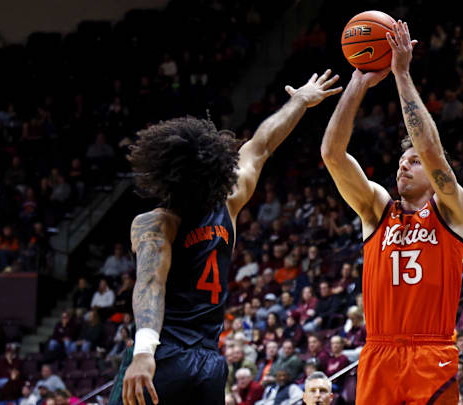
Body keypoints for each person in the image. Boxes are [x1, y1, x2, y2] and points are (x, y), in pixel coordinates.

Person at [111, 69, 341, 405]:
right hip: (209, 364)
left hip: (165, 354)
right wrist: (300, 102)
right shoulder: (229, 203)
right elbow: (260, 146)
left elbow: (151, 283)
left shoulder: (157, 223)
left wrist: (144, 352)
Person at [321, 21, 463, 404]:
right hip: (379, 352)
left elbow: (431, 150)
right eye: (402, 160)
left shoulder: (452, 209)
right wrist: (359, 82)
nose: (404, 165)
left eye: (414, 161)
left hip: (430, 352)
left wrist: (402, 75)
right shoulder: (375, 210)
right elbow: (332, 155)